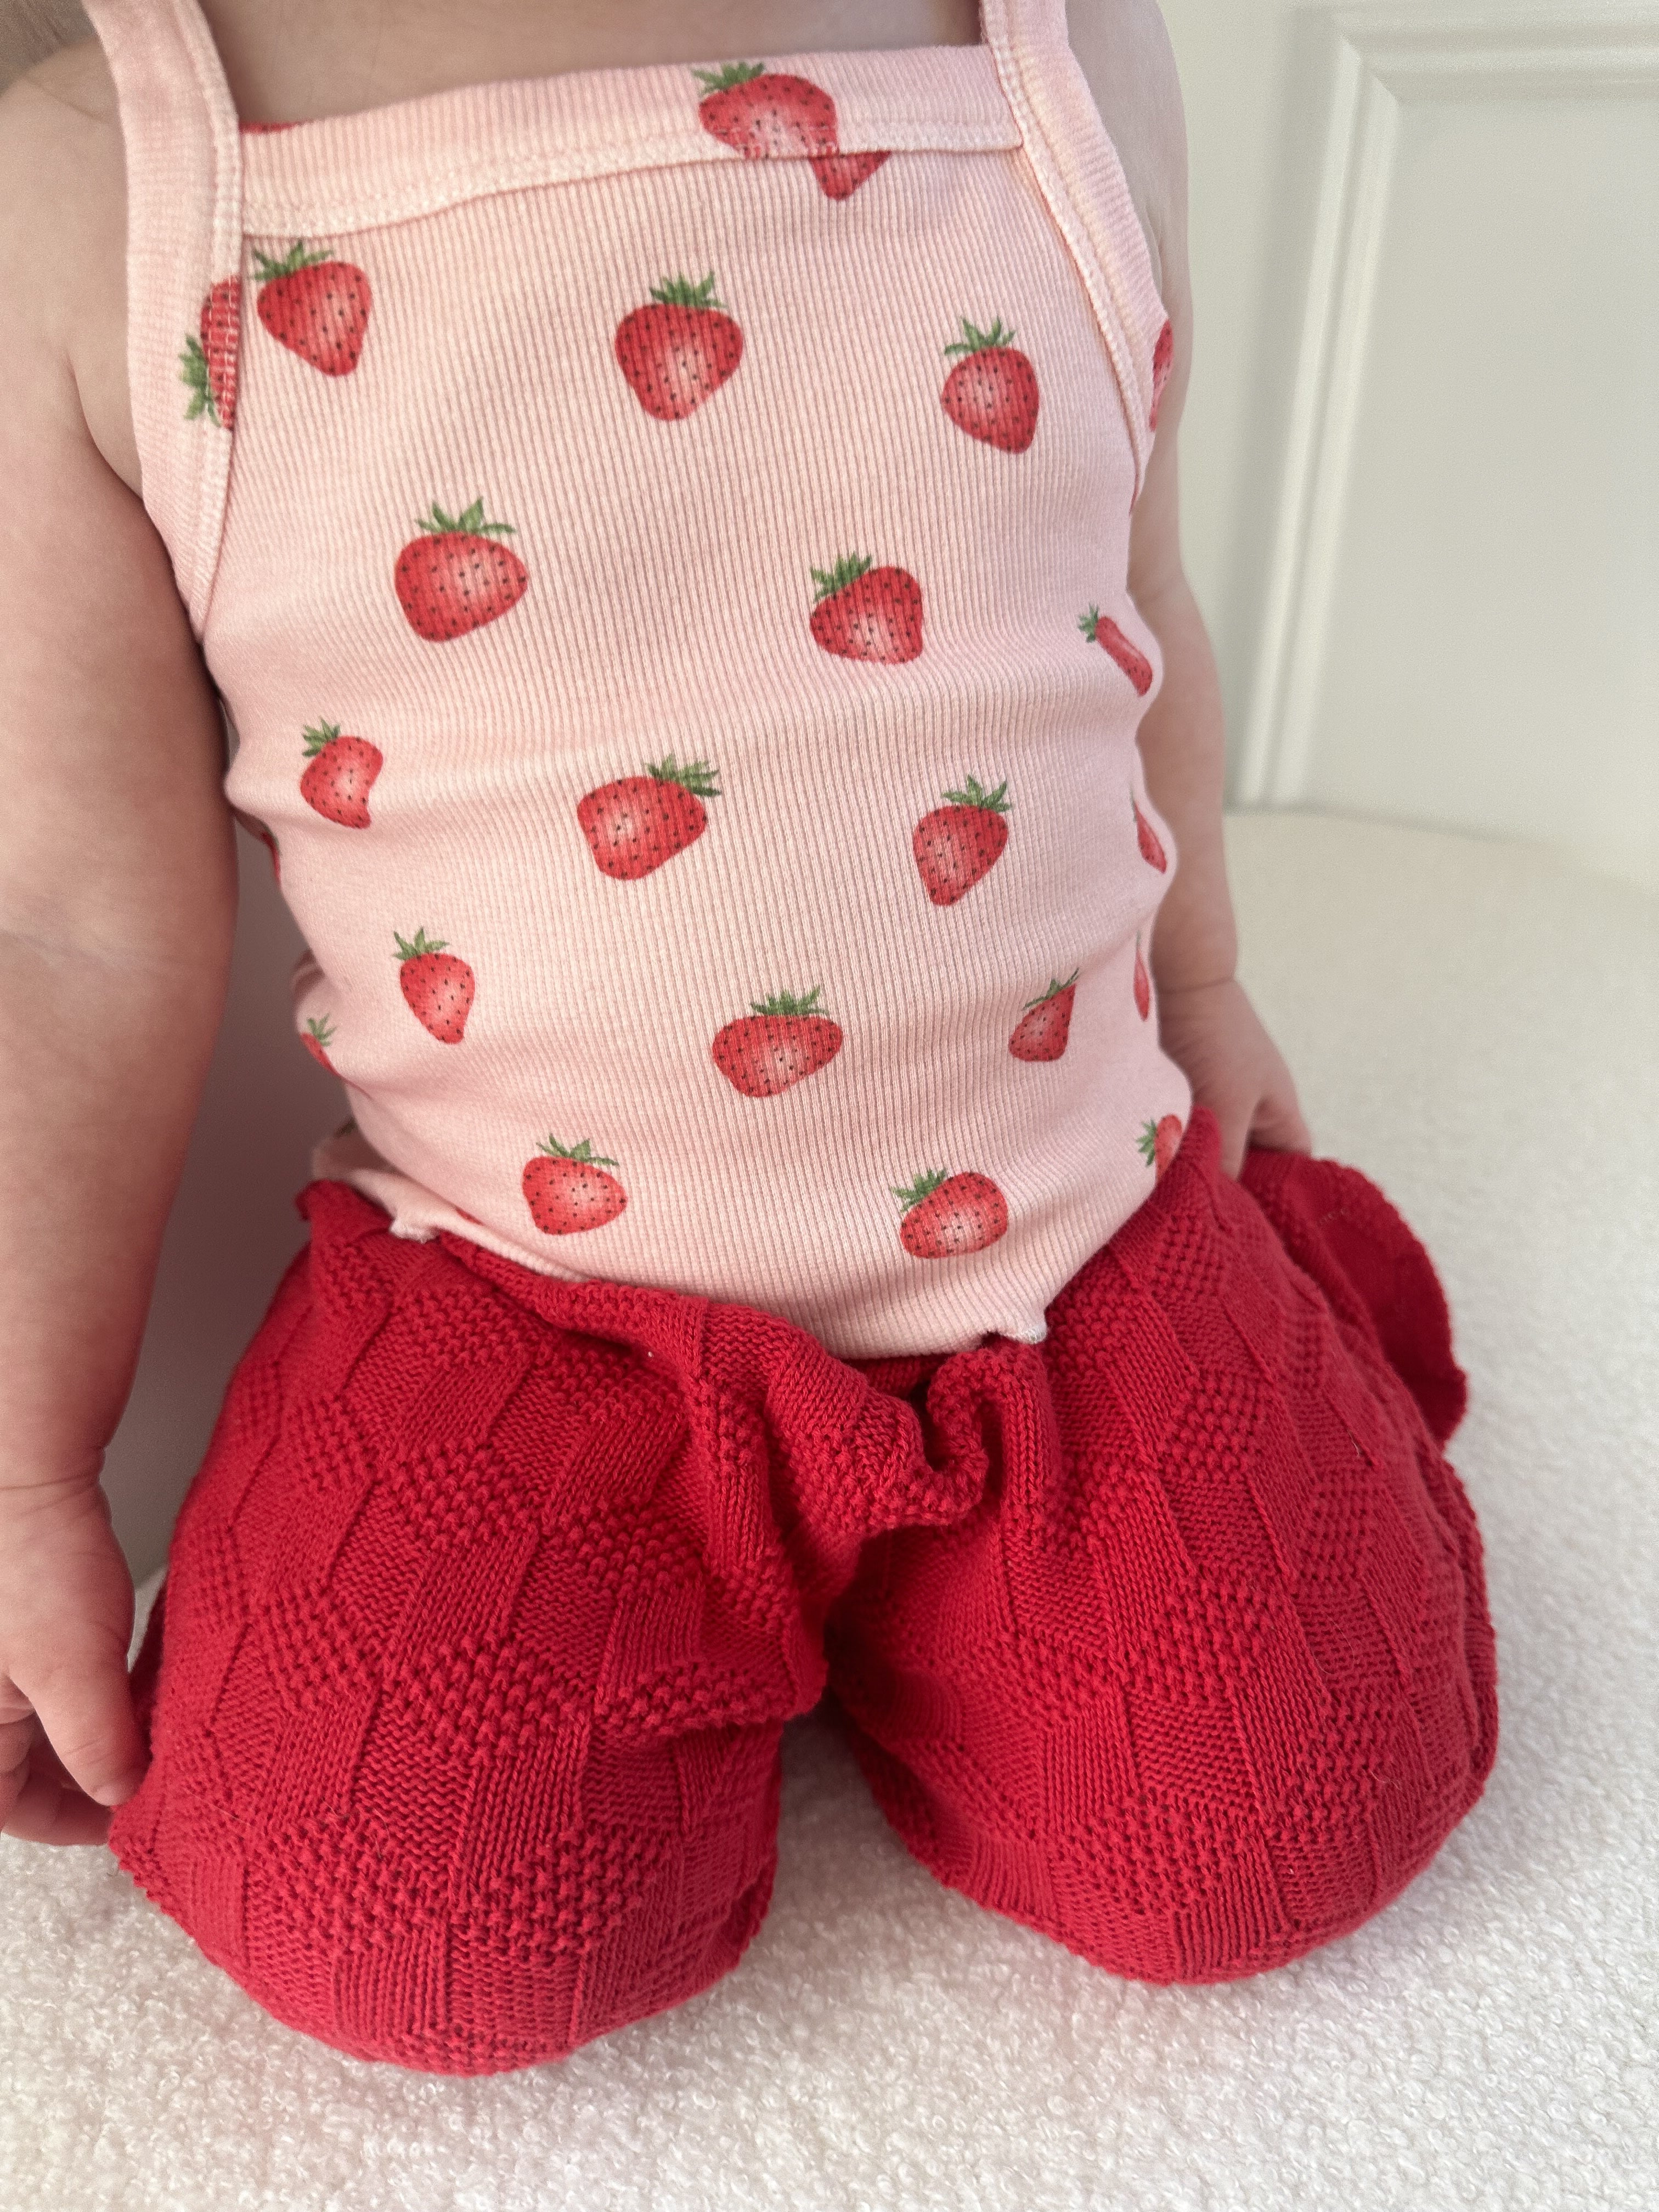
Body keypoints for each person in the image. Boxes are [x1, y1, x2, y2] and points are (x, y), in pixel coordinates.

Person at [0, 0, 1497, 2073]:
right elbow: (69, 926)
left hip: (1067, 1225)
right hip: (521, 1291)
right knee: (389, 1914)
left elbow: (1129, 595)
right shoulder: (112, 183)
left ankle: (1149, 1431)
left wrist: (1214, 984)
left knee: (1291, 1795)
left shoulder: (1067, 53)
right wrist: (25, 1466)